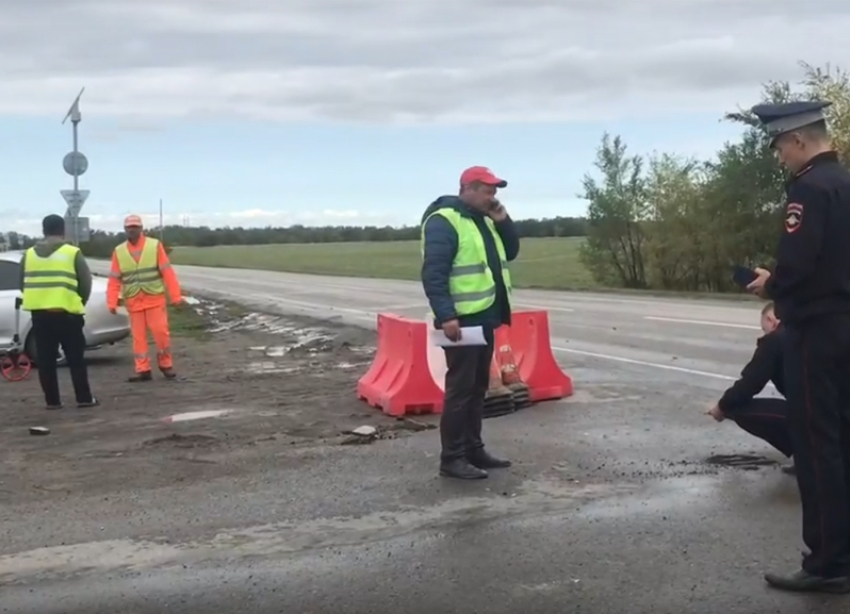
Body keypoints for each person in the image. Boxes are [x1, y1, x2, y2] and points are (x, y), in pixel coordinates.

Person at [747, 100, 850, 593]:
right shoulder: (845, 183)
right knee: (844, 443)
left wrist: (772, 284)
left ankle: (828, 563)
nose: (779, 157)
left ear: (799, 140)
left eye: (779, 146)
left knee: (817, 447)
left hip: (817, 332)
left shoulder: (808, 190)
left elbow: (800, 264)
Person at [420, 166, 520, 480]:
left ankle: (474, 448)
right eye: (488, 190)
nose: (493, 196)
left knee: (478, 388)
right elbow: (434, 273)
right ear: (468, 188)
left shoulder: (483, 221)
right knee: (460, 390)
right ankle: (452, 458)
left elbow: (512, 252)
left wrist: (502, 219)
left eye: (494, 191)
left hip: (486, 315)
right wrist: (446, 315)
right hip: (462, 320)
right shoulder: (444, 220)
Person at [19, 214, 99, 409]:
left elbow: (22, 283)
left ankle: (52, 401)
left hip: (40, 316)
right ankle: (84, 399)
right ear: (62, 230)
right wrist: (78, 302)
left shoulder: (28, 255)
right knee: (76, 360)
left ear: (43, 230)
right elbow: (85, 284)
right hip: (68, 314)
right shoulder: (72, 253)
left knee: (46, 361)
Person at [706, 302, 795, 473]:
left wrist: (721, 407)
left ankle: (808, 459)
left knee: (736, 407)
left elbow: (749, 384)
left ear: (771, 320)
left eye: (764, 329)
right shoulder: (812, 334)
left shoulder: (775, 340)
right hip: (838, 413)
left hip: (821, 417)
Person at [106, 214, 183, 382]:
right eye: (129, 227)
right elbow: (114, 279)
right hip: (134, 301)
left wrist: (176, 296)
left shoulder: (154, 246)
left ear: (141, 229)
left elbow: (167, 272)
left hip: (154, 298)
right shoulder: (119, 251)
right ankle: (142, 369)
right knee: (138, 338)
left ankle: (166, 365)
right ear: (125, 230)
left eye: (135, 227)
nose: (132, 230)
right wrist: (111, 301)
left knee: (161, 333)